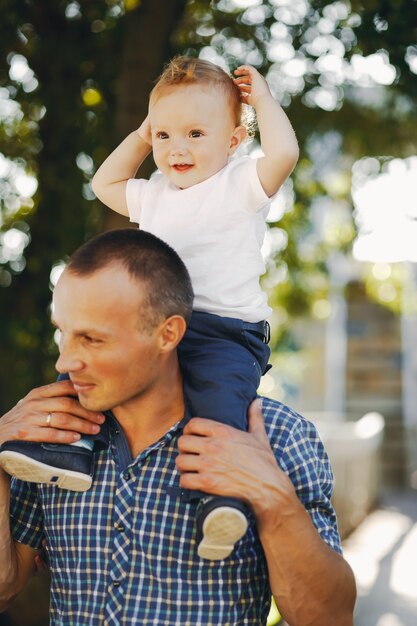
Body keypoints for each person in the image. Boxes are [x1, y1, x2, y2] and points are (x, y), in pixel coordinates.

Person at [0, 229, 355, 625]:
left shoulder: (275, 436)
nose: (64, 363)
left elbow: (331, 617)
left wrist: (272, 498)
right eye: (63, 332)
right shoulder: (52, 442)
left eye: (92, 340)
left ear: (168, 333)